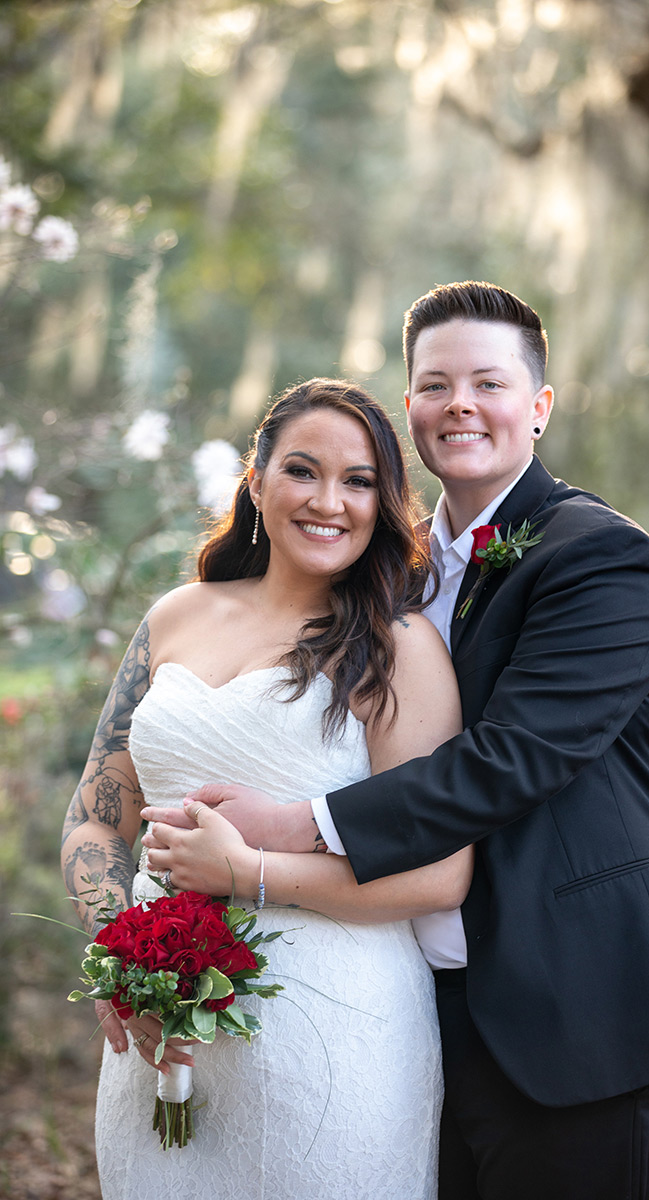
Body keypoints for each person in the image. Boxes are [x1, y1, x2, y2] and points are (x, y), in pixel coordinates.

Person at [150, 281, 649, 1200]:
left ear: (537, 408)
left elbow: (514, 759)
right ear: (411, 409)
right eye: (435, 384)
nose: (461, 403)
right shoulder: (397, 568)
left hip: (571, 1001)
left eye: (488, 383)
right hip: (409, 1007)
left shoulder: (597, 556)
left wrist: (292, 823)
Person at [61, 377, 471, 1200]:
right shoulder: (176, 616)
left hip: (335, 1034)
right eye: (302, 471)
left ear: (384, 501)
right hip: (160, 1035)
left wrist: (243, 874)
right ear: (256, 481)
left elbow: (439, 874)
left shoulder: (399, 649)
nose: (330, 501)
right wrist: (124, 961)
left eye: (358, 481)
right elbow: (94, 821)